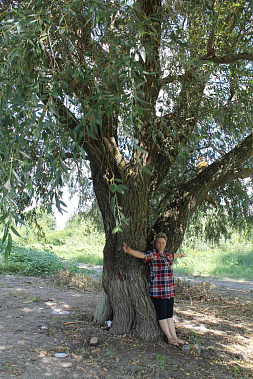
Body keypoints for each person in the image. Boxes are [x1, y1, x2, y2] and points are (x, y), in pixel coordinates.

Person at [123, 233, 188, 346]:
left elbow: (175, 255)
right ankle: (169, 338)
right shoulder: (153, 254)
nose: (161, 245)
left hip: (169, 290)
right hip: (158, 291)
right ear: (155, 243)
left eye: (163, 243)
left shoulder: (168, 255)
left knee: (169, 315)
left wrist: (181, 255)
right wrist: (130, 251)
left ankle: (175, 337)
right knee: (162, 314)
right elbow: (141, 255)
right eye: (159, 243)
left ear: (166, 243)